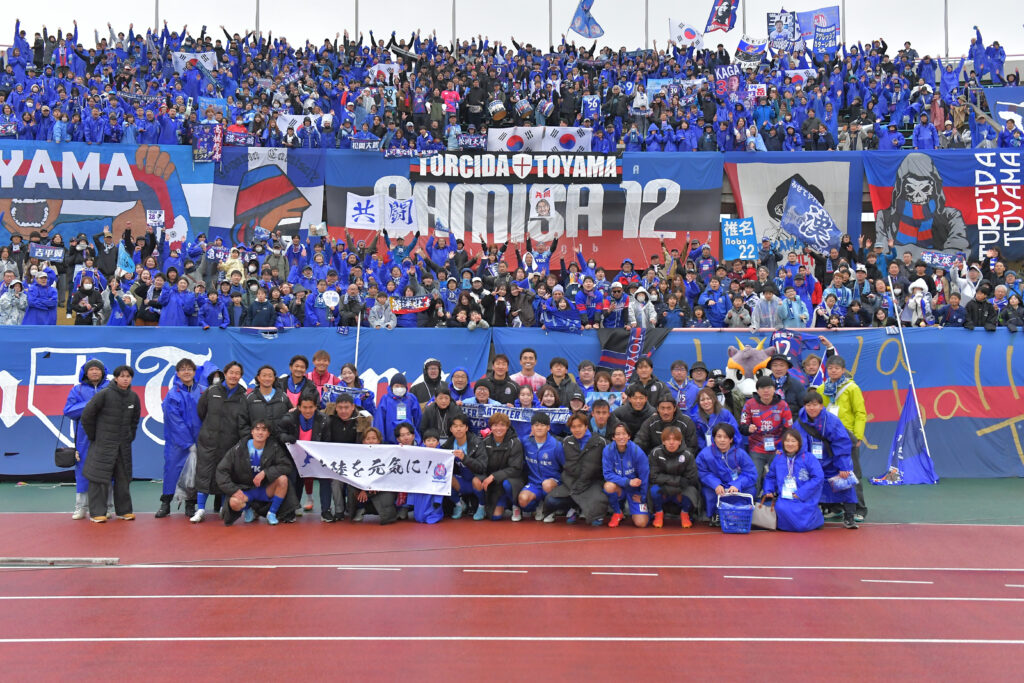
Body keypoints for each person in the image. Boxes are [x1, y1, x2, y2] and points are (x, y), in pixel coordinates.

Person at [80, 365, 141, 523]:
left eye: (128, 376)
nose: (125, 379)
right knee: (98, 478)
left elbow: (134, 421)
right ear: (115, 378)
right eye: (122, 376)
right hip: (103, 445)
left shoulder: (133, 397)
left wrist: (130, 436)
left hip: (123, 446)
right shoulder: (104, 394)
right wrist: (95, 436)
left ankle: (124, 511)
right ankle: (97, 513)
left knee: (123, 478)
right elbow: (87, 416)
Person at [793, 392, 859, 529]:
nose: (812, 408)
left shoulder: (832, 421)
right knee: (806, 485)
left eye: (815, 405)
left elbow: (841, 443)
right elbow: (795, 442)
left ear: (821, 406)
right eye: (808, 405)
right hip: (811, 463)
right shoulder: (799, 422)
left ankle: (849, 516)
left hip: (832, 461)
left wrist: (843, 466)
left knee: (846, 484)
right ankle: (809, 516)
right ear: (804, 406)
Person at [816, 355, 868, 522]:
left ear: (843, 370)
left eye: (837, 368)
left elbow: (860, 413)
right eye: (830, 368)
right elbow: (819, 411)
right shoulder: (822, 388)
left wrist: (858, 435)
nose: (833, 371)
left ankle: (859, 508)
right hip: (828, 436)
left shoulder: (852, 388)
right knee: (832, 472)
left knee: (852, 473)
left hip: (847, 435)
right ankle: (836, 507)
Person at [193, 362, 246, 523]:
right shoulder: (211, 391)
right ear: (225, 373)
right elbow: (201, 411)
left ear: (240, 376)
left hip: (229, 443)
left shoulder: (243, 396)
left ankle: (224, 508)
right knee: (204, 474)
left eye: (237, 373)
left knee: (225, 475)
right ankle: (200, 509)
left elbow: (243, 420)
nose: (234, 376)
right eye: (231, 372)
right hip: (208, 442)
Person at [216, 421, 295, 526]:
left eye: (264, 430)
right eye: (257, 429)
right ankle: (247, 508)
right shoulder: (239, 448)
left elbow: (286, 466)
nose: (260, 432)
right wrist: (233, 490)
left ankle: (272, 513)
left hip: (264, 489)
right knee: (233, 503)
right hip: (246, 489)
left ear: (268, 434)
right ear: (252, 432)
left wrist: (265, 472)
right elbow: (221, 470)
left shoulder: (274, 447)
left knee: (283, 479)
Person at [62, 359, 110, 520]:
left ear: (103, 372)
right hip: (84, 438)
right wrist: (91, 404)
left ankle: (106, 507)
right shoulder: (77, 390)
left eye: (98, 369)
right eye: (91, 369)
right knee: (83, 471)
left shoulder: (111, 388)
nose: (95, 372)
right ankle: (81, 507)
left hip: (108, 436)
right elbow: (68, 411)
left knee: (107, 472)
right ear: (85, 373)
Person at [156, 358, 202, 520]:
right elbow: (174, 420)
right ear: (177, 373)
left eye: (189, 369)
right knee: (172, 471)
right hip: (177, 443)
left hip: (199, 441)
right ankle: (166, 503)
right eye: (183, 369)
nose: (186, 372)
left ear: (194, 372)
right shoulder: (172, 394)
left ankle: (190, 504)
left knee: (194, 473)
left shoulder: (203, 392)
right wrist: (188, 443)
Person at [548, 412, 609, 526]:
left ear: (586, 426)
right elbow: (563, 464)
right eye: (573, 427)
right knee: (551, 501)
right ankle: (575, 507)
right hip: (572, 482)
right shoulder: (567, 442)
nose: (577, 430)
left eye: (580, 426)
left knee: (595, 520)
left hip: (593, 482)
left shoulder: (601, 442)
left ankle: (586, 508)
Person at [278, 394, 333, 521]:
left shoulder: (324, 420)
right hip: (295, 457)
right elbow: (279, 433)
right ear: (299, 407)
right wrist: (286, 438)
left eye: (311, 407)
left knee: (325, 478)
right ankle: (291, 510)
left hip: (316, 457)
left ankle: (326, 511)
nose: (308, 410)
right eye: (304, 407)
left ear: (316, 407)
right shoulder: (289, 419)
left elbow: (327, 440)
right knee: (293, 478)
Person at [763, 429, 825, 532]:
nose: (790, 444)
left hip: (804, 497)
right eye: (787, 441)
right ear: (783, 443)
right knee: (781, 507)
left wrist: (801, 493)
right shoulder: (778, 458)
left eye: (793, 441)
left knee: (802, 525)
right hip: (785, 496)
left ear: (799, 443)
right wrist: (768, 490)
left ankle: (814, 521)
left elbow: (818, 477)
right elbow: (770, 477)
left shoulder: (808, 457)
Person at [465, 413, 525, 520]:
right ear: (491, 427)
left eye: (502, 425)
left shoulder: (515, 442)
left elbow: (515, 469)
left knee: (507, 485)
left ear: (507, 426)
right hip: (493, 483)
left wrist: (493, 476)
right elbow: (481, 464)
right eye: (495, 425)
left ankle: (515, 505)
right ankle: (482, 505)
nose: (499, 428)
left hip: (510, 480)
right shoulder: (485, 441)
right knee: (495, 517)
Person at [696, 423, 757, 526]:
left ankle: (739, 514)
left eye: (726, 437)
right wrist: (716, 484)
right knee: (708, 492)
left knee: (750, 490)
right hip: (716, 487)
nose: (722, 440)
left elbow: (750, 473)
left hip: (735, 486)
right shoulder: (705, 454)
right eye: (719, 436)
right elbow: (702, 472)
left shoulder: (740, 453)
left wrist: (737, 484)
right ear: (714, 438)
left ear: (731, 439)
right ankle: (716, 515)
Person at [739, 376, 794, 490]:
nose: (766, 391)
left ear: (774, 389)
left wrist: (782, 448)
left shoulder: (783, 405)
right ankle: (754, 498)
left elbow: (788, 429)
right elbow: (742, 426)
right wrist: (748, 428)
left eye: (769, 387)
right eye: (762, 388)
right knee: (754, 477)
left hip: (777, 448)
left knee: (780, 476)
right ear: (757, 391)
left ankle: (778, 497)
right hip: (756, 448)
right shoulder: (749, 404)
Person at [517, 412, 566, 522]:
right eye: (536, 425)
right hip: (534, 483)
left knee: (546, 484)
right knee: (523, 500)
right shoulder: (525, 442)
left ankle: (550, 509)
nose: (539, 428)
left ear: (548, 428)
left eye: (542, 425)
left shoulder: (556, 445)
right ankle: (538, 506)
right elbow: (512, 439)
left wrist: (562, 482)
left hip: (552, 482)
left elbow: (565, 466)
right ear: (532, 428)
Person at [648, 425, 700, 528]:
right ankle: (658, 513)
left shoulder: (688, 455)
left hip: (680, 490)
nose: (671, 442)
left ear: (680, 441)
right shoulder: (655, 453)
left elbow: (691, 479)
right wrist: (677, 481)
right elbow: (653, 476)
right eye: (668, 439)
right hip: (664, 488)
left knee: (691, 490)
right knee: (653, 490)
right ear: (663, 441)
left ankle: (685, 513)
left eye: (675, 439)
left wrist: (673, 484)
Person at [601, 423, 650, 528]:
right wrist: (627, 482)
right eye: (618, 434)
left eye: (624, 434)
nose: (621, 437)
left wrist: (643, 496)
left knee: (641, 523)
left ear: (629, 436)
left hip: (634, 490)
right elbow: (607, 474)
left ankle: (639, 510)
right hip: (619, 487)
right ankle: (617, 512)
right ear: (613, 437)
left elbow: (644, 476)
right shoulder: (608, 450)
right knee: (608, 486)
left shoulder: (637, 452)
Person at [443, 414, 483, 519]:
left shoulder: (477, 443)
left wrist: (465, 458)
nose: (458, 429)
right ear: (451, 429)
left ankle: (482, 506)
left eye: (461, 426)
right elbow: (434, 452)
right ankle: (459, 504)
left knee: (477, 481)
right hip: (462, 480)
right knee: (444, 478)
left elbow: (482, 466)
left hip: (477, 479)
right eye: (455, 426)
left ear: (466, 428)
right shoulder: (448, 444)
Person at [373, 374, 422, 443]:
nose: (399, 388)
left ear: (406, 387)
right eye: (397, 386)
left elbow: (418, 419)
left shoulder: (411, 399)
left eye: (402, 386)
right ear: (391, 387)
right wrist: (380, 440)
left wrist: (417, 439)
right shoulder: (385, 399)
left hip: (408, 442)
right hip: (389, 442)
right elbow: (379, 421)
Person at [690, 387, 743, 451]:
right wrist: (706, 449)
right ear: (699, 403)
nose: (706, 402)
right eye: (702, 400)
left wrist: (732, 449)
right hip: (706, 450)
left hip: (727, 449)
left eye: (709, 398)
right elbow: (697, 436)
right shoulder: (695, 417)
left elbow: (735, 433)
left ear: (714, 399)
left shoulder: (725, 414)